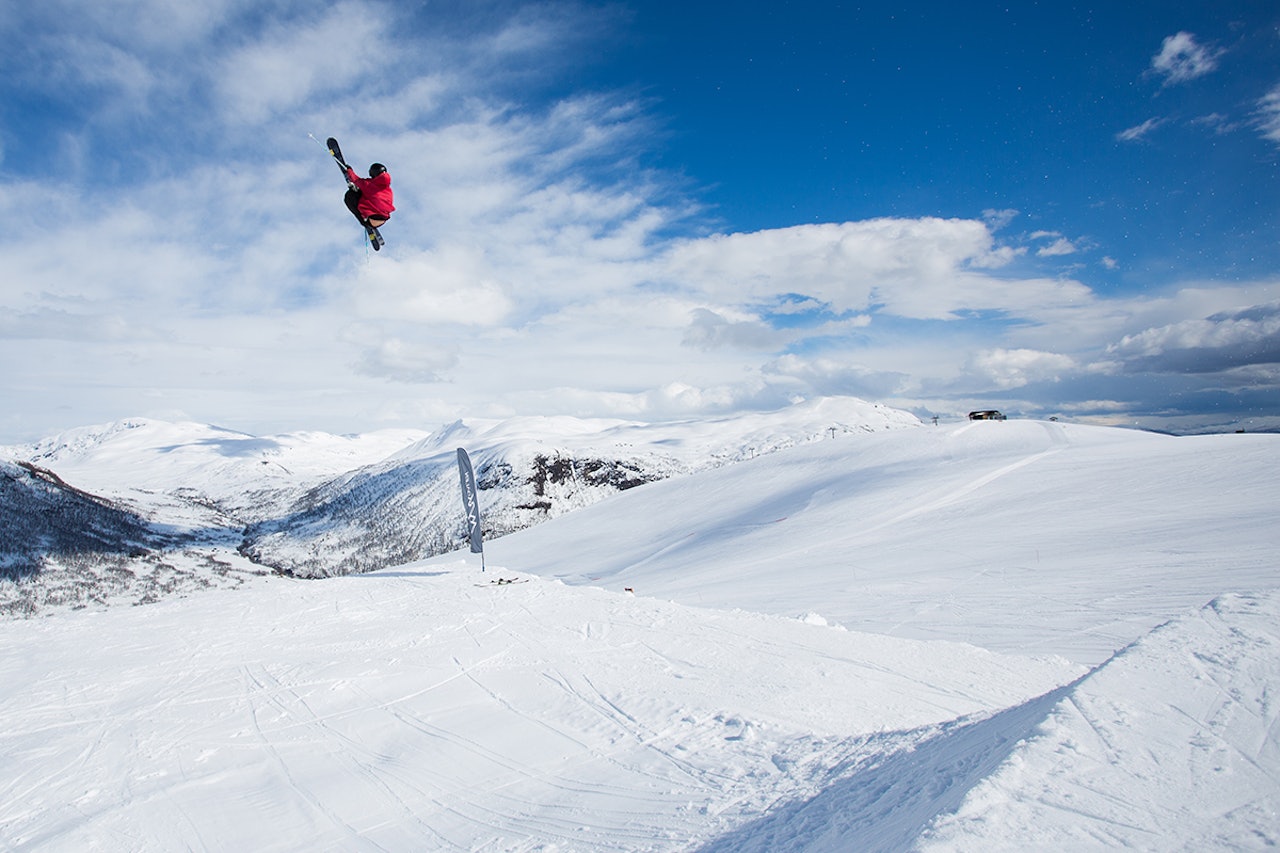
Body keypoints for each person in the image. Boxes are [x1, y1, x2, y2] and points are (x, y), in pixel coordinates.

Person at [344, 163, 395, 231]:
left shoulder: (368, 184)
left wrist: (349, 170)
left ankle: (364, 221)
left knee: (349, 196)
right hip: (383, 219)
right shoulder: (388, 189)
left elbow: (356, 180)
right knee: (364, 194)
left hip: (372, 219)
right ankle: (356, 190)